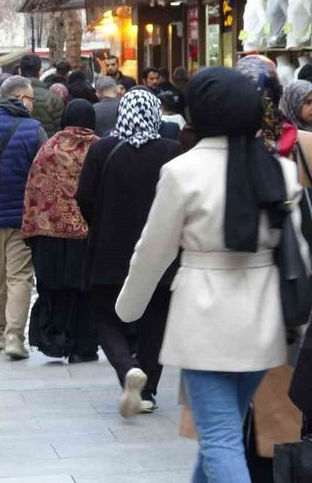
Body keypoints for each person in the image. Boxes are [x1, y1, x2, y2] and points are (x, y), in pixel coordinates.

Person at [116, 66, 304, 483]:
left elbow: (154, 250)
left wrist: (127, 307)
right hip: (263, 318)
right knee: (223, 432)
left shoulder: (183, 172)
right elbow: (298, 249)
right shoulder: (280, 171)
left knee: (218, 436)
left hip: (204, 320)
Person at [75, 88, 181, 417]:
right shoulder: (171, 151)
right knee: (155, 320)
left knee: (106, 315)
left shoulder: (102, 149)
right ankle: (147, 392)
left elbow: (84, 197)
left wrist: (102, 222)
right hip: (159, 253)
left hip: (109, 249)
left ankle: (126, 367)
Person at [23, 99, 100, 364]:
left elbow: (35, 188)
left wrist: (32, 228)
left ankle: (54, 340)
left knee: (54, 288)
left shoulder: (49, 148)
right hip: (87, 233)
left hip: (50, 233)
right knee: (84, 290)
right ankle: (83, 346)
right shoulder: (99, 147)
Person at [0, 76, 45, 359]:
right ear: (20, 99)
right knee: (19, 277)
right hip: (22, 215)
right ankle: (14, 338)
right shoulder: (34, 130)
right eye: (31, 99)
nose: (33, 105)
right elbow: (45, 174)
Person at [19, 54, 64, 137]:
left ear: (20, 72)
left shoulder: (11, 97)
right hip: (46, 147)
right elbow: (60, 132)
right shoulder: (53, 98)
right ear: (40, 71)